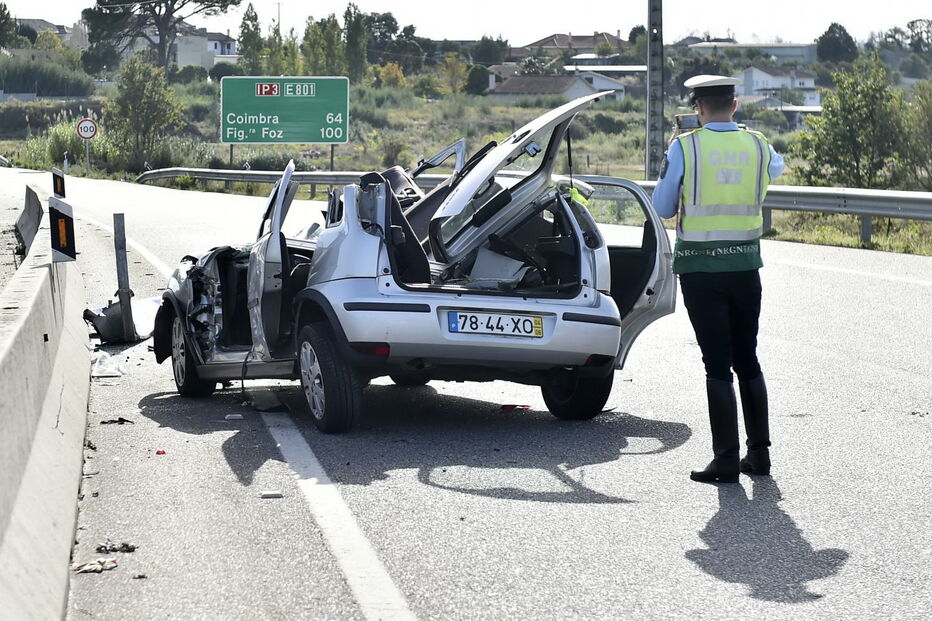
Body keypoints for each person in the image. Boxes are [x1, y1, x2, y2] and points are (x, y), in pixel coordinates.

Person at [652, 75, 785, 483]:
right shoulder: (759, 144)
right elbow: (774, 171)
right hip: (746, 266)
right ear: (735, 104)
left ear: (697, 108)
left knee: (717, 365)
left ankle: (726, 459)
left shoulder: (685, 146)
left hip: (701, 269)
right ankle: (759, 456)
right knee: (749, 359)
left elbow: (661, 207)